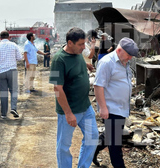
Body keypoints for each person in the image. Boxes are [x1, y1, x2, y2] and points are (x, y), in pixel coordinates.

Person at [49, 27, 99, 168]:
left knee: (92, 138)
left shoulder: (77, 53)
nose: (84, 48)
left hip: (86, 106)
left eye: (84, 44)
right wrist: (68, 113)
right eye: (81, 44)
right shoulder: (58, 60)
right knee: (64, 145)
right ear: (70, 43)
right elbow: (57, 89)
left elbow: (76, 63)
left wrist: (85, 65)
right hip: (70, 110)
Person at [93, 37, 139, 168]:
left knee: (109, 136)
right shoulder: (107, 62)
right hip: (111, 108)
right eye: (129, 55)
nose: (130, 58)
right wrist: (103, 108)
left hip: (121, 108)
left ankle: (92, 151)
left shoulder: (125, 62)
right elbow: (98, 86)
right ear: (119, 50)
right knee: (115, 144)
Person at [0, 30, 23, 119]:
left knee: (3, 93)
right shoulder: (14, 45)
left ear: (0, 38)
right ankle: (13, 108)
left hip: (1, 72)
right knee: (14, 91)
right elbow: (20, 58)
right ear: (9, 37)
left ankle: (4, 113)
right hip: (12, 70)